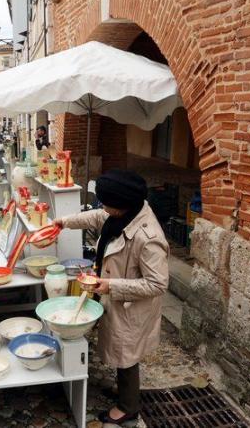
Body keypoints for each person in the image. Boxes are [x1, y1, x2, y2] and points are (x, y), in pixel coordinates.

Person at [53, 170, 168, 425]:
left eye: (107, 204)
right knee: (120, 348)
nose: (103, 208)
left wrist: (110, 286)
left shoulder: (148, 238)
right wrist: (63, 222)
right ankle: (124, 391)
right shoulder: (124, 213)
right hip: (115, 294)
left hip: (130, 304)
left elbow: (158, 283)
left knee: (127, 354)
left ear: (123, 204)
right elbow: (96, 216)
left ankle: (128, 407)